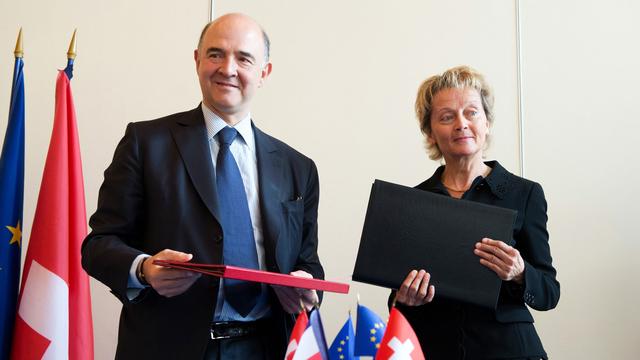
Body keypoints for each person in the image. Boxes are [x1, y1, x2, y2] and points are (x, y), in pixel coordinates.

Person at [81, 13, 323, 360]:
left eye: (243, 58)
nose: (227, 68)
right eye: (215, 54)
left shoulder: (298, 168)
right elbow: (99, 245)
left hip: (265, 347)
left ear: (264, 72)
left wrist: (304, 287)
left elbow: (309, 265)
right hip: (167, 347)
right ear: (197, 61)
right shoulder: (145, 143)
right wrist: (144, 269)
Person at [390, 66, 560, 359]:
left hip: (510, 350)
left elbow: (548, 292)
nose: (461, 124)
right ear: (430, 133)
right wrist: (404, 298)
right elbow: (397, 295)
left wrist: (520, 273)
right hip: (434, 348)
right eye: (447, 117)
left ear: (487, 122)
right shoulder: (413, 202)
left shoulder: (525, 193)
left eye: (471, 112)